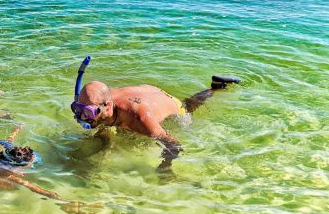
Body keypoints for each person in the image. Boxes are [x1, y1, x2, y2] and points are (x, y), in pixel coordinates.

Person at [69, 57, 240, 172]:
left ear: (107, 107)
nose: (82, 117)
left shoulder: (139, 119)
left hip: (165, 104)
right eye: (77, 109)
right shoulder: (101, 100)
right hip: (145, 93)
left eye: (87, 112)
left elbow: (174, 144)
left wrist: (166, 168)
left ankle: (215, 88)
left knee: (188, 109)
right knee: (119, 132)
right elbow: (105, 121)